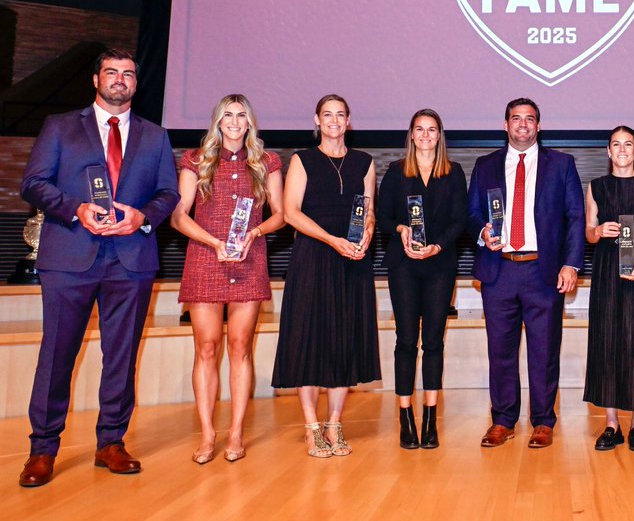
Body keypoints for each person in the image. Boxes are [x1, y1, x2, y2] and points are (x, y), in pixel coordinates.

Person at [18, 49, 180, 487]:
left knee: (121, 355)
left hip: (131, 259)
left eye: (128, 74)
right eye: (112, 73)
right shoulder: (60, 127)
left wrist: (142, 217)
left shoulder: (155, 135)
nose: (120, 80)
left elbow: (169, 193)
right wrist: (76, 210)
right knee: (56, 355)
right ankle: (42, 448)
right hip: (70, 257)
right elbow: (32, 183)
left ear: (135, 83)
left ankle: (111, 442)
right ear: (96, 80)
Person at [171, 94, 285, 464]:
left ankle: (236, 434)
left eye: (241, 115)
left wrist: (255, 233)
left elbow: (281, 215)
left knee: (240, 347)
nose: (234, 121)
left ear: (250, 121)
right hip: (205, 260)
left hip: (249, 261)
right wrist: (213, 242)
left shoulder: (267, 161)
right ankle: (207, 435)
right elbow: (178, 216)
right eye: (227, 115)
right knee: (206, 348)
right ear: (217, 121)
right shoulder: (195, 159)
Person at [466, 98, 584, 449]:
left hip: (543, 272)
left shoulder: (562, 164)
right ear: (505, 125)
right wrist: (482, 232)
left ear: (538, 126)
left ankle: (543, 421)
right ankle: (502, 420)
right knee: (500, 351)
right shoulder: (485, 164)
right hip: (498, 270)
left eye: (529, 119)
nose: (522, 125)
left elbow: (576, 217)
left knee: (544, 351)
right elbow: (472, 212)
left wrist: (571, 263)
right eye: (516, 119)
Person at [271, 95, 380, 458]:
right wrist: (332, 240)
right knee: (309, 338)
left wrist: (365, 233)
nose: (334, 121)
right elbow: (290, 213)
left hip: (352, 259)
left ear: (349, 121)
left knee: (344, 339)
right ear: (316, 120)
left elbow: (368, 210)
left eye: (340, 115)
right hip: (314, 256)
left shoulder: (364, 163)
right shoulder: (302, 160)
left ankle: (334, 422)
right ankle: (311, 427)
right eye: (327, 115)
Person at [377, 109, 467, 449]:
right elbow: (382, 217)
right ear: (411, 135)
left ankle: (430, 417)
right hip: (403, 265)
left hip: (439, 265)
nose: (426, 135)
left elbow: (460, 220)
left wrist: (438, 246)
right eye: (420, 129)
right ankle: (405, 417)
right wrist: (400, 228)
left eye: (432, 130)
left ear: (439, 136)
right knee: (405, 341)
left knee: (433, 342)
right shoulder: (396, 173)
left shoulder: (454, 173)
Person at [583, 126, 634, 452]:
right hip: (606, 272)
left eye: (627, 144)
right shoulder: (597, 186)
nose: (621, 150)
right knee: (606, 343)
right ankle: (612, 424)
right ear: (608, 151)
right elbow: (588, 232)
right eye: (616, 144)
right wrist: (599, 230)